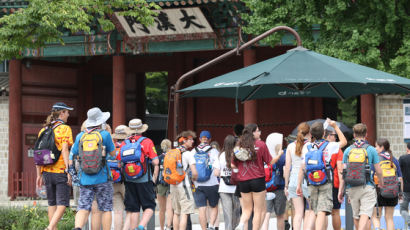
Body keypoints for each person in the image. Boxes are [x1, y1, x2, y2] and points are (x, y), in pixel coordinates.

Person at [70, 107, 116, 230]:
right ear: (101, 121)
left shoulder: (80, 136)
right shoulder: (105, 135)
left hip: (85, 178)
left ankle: (78, 227)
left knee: (83, 207)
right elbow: (113, 154)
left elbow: (74, 153)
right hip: (102, 177)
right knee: (106, 208)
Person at [297, 119, 347, 230]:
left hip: (311, 181)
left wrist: (298, 185)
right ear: (324, 133)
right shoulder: (329, 146)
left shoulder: (307, 147)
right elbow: (344, 142)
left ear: (311, 134)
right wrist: (335, 126)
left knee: (314, 211)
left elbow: (303, 166)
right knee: (322, 211)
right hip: (326, 181)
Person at [35, 102, 74, 230]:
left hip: (46, 171)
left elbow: (38, 153)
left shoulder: (44, 129)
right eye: (67, 112)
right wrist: (69, 171)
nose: (68, 114)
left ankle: (52, 228)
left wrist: (38, 175)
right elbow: (65, 150)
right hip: (60, 171)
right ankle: (50, 227)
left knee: (52, 204)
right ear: (62, 113)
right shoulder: (65, 129)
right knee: (62, 204)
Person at [338, 123, 384, 230]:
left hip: (351, 186)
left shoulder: (348, 150)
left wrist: (341, 190)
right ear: (366, 134)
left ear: (354, 135)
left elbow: (343, 172)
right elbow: (379, 171)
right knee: (365, 213)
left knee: (356, 215)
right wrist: (381, 182)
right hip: (367, 186)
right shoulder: (371, 149)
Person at [233, 123, 277, 230]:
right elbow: (270, 162)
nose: (259, 132)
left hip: (243, 181)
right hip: (258, 180)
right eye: (258, 130)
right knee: (258, 210)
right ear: (253, 133)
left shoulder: (239, 145)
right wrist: (278, 155)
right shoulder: (261, 144)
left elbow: (233, 164)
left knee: (247, 209)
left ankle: (241, 223)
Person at [118, 118, 159, 230]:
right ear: (142, 129)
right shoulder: (147, 141)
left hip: (129, 180)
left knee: (133, 208)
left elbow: (119, 164)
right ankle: (140, 226)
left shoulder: (124, 143)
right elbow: (156, 161)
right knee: (150, 206)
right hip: (144, 179)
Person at [283, 122, 314, 230]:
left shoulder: (291, 146)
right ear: (309, 132)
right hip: (307, 179)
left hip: (293, 180)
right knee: (310, 210)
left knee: (298, 213)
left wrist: (286, 185)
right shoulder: (311, 145)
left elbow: (287, 167)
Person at [168, 130, 198, 230]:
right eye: (190, 140)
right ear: (184, 141)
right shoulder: (188, 154)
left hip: (173, 185)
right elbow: (194, 172)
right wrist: (194, 178)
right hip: (184, 186)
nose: (192, 141)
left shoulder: (173, 152)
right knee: (185, 213)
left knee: (176, 212)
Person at [191, 130, 220, 230]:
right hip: (212, 183)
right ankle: (211, 226)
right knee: (214, 206)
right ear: (210, 139)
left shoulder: (193, 151)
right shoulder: (214, 151)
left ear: (199, 139)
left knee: (201, 209)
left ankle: (204, 229)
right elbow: (218, 168)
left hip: (198, 184)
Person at [371, 138, 402, 230]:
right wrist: (400, 193)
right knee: (389, 218)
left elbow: (371, 175)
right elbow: (400, 178)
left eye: (376, 146)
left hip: (379, 190)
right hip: (392, 191)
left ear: (382, 147)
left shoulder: (376, 159)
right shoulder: (394, 160)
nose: (375, 148)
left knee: (376, 217)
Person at [213, 135, 241, 230]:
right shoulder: (237, 154)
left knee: (227, 214)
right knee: (236, 213)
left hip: (224, 188)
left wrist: (224, 175)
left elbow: (215, 173)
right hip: (236, 187)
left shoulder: (220, 155)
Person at [262, 133, 286, 230]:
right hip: (279, 187)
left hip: (266, 187)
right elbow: (285, 172)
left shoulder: (265, 156)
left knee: (266, 214)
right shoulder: (282, 156)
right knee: (280, 216)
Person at [110, 125, 129, 230]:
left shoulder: (111, 147)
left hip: (113, 181)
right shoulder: (128, 146)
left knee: (117, 211)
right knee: (131, 209)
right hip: (126, 181)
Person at [324, 128, 344, 230]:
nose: (335, 137)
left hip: (321, 182)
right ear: (328, 136)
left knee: (322, 212)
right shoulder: (337, 149)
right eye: (334, 135)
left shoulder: (318, 147)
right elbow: (340, 168)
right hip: (334, 183)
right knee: (335, 211)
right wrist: (341, 186)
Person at [157, 139, 173, 230]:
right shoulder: (172, 156)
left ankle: (162, 228)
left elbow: (156, 171)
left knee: (161, 209)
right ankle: (169, 226)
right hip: (171, 182)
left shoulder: (159, 158)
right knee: (170, 208)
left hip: (161, 183)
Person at [400, 142, 410, 230]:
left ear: (407, 149)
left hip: (406, 188)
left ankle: (408, 221)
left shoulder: (402, 158)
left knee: (403, 209)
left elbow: (399, 174)